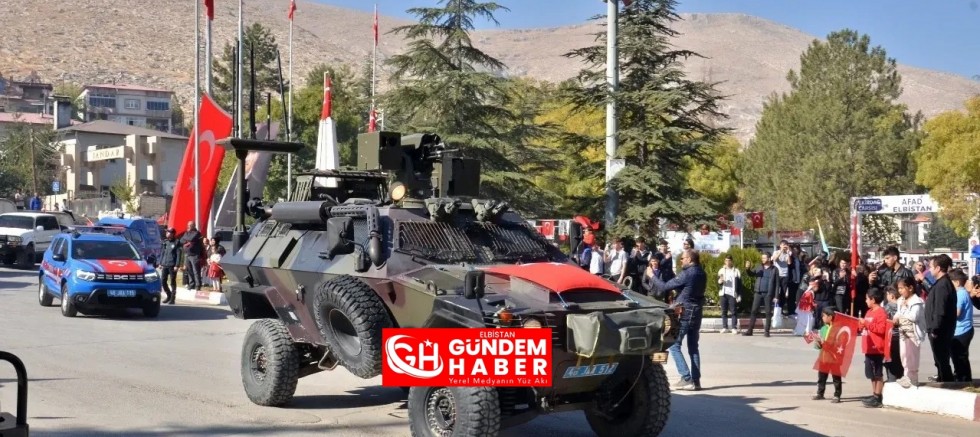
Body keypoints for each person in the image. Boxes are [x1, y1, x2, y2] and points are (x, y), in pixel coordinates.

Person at [648, 249, 707, 391]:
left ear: (690, 260)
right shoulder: (701, 272)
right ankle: (696, 381)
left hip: (684, 312)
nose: (681, 261)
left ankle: (686, 378)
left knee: (674, 345)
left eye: (683, 258)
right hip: (697, 311)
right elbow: (689, 289)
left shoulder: (687, 273)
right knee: (693, 347)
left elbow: (664, 287)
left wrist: (651, 275)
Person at [924, 254, 957, 382]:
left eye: (931, 267)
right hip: (940, 329)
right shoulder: (941, 283)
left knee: (942, 360)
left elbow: (940, 310)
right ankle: (942, 379)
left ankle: (947, 383)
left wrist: (935, 329)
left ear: (938, 268)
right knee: (939, 360)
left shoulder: (943, 285)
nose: (929, 270)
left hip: (940, 330)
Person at [859, 287, 889, 408]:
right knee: (870, 373)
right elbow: (866, 325)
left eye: (867, 298)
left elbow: (881, 329)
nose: (865, 301)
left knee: (877, 373)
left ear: (873, 299)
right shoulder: (869, 312)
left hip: (877, 348)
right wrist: (861, 325)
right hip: (868, 347)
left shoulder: (881, 312)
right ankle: (874, 394)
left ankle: (878, 396)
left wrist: (866, 324)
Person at [893, 276, 925, 388]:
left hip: (912, 333)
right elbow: (898, 312)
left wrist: (904, 310)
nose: (900, 291)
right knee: (904, 355)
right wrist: (895, 318)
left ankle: (913, 379)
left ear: (910, 288)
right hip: (903, 332)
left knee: (912, 356)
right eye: (899, 288)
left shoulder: (917, 301)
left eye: (902, 288)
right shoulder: (901, 301)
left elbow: (914, 316)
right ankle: (906, 376)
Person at [743, 252, 780, 337]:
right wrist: (747, 269)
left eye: (764, 258)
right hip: (758, 293)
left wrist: (776, 296)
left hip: (768, 294)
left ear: (769, 258)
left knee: (768, 313)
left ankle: (767, 331)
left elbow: (777, 284)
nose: (762, 259)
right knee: (753, 311)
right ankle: (750, 331)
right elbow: (751, 274)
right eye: (762, 258)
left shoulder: (774, 269)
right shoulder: (759, 267)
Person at [812, 306, 843, 403]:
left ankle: (837, 395)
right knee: (821, 376)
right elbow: (819, 346)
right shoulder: (823, 328)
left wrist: (825, 342)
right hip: (824, 356)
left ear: (830, 317)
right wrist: (817, 342)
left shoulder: (837, 329)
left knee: (836, 377)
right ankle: (820, 393)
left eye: (824, 316)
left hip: (834, 357)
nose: (822, 317)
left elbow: (838, 344)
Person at [949, 269, 974, 382]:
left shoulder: (960, 294)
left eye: (951, 282)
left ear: (957, 282)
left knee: (959, 357)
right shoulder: (963, 293)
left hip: (962, 330)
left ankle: (963, 378)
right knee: (959, 356)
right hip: (963, 329)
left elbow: (957, 313)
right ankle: (962, 376)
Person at [882, 286, 905, 382]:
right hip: (902, 337)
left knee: (891, 362)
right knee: (900, 361)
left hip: (891, 337)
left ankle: (892, 381)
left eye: (887, 295)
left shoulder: (887, 307)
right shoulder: (903, 306)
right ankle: (901, 378)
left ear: (891, 296)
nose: (886, 297)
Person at [717, 254, 741, 333]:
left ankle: (734, 327)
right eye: (726, 260)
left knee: (733, 311)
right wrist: (720, 281)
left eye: (729, 260)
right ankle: (725, 327)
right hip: (723, 293)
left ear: (732, 261)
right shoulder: (721, 270)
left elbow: (739, 284)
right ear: (724, 261)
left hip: (732, 294)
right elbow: (718, 282)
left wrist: (739, 295)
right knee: (724, 311)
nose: (727, 262)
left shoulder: (736, 271)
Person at [179, 221, 205, 291]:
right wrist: (187, 240)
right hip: (187, 254)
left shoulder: (197, 233)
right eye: (188, 225)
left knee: (196, 271)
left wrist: (187, 239)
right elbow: (181, 240)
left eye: (190, 225)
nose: (188, 226)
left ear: (194, 226)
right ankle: (191, 284)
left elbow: (191, 238)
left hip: (194, 255)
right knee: (189, 270)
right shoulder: (186, 233)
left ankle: (198, 285)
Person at [159, 228, 181, 304]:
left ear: (172, 234)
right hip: (165, 264)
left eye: (169, 232)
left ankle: (172, 298)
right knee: (163, 281)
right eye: (167, 232)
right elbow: (162, 253)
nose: (167, 234)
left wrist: (177, 265)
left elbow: (178, 255)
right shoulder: (165, 242)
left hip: (172, 265)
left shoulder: (176, 242)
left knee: (172, 281)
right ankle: (169, 295)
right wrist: (160, 263)